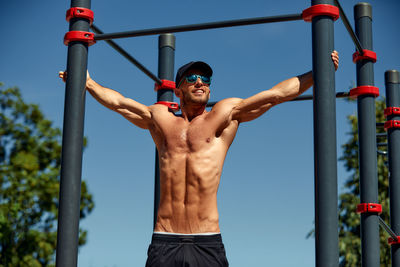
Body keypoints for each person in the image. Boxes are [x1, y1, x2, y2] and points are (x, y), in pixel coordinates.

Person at [59, 51, 339, 267]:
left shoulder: (224, 115)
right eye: (192, 79)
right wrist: (87, 83)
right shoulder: (161, 119)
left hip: (207, 241)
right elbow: (119, 102)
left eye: (205, 79)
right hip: (164, 240)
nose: (200, 83)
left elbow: (275, 95)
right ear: (178, 90)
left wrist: (317, 73)